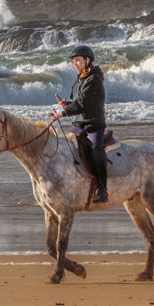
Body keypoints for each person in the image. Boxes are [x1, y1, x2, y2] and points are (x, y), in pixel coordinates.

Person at [55, 45, 108, 202]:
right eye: (74, 61)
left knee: (96, 151)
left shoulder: (94, 80)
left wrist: (63, 113)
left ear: (87, 60)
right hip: (79, 126)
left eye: (78, 60)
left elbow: (84, 104)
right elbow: (77, 102)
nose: (75, 64)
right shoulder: (79, 80)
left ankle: (102, 190)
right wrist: (67, 104)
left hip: (94, 126)